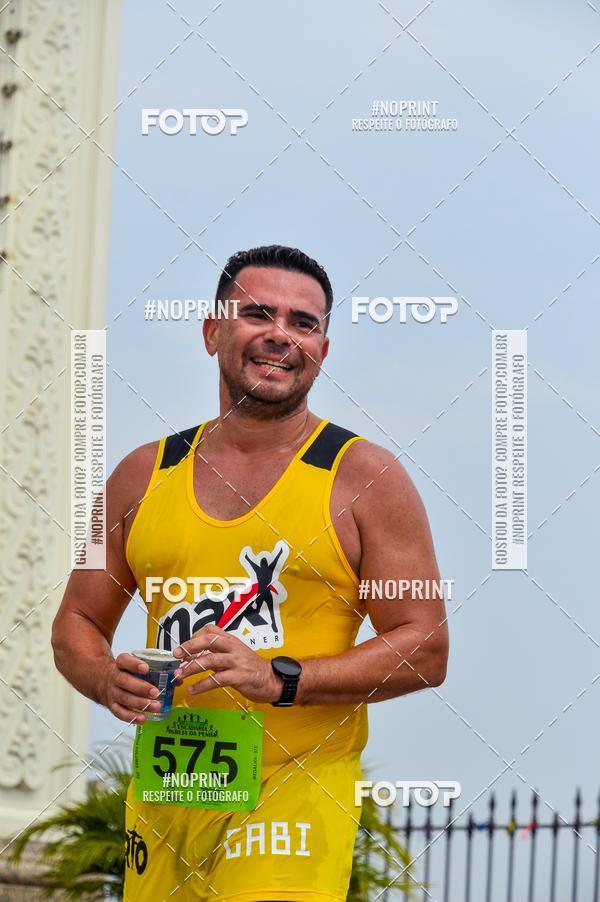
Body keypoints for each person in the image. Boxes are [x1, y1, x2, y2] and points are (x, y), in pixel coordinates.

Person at [52, 244, 449, 902]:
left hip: (296, 797)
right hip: (169, 791)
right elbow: (77, 619)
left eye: (304, 323)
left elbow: (426, 646)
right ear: (212, 331)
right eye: (258, 314)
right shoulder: (140, 476)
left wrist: (280, 678)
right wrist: (102, 677)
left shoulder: (365, 479)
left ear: (323, 347)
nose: (281, 336)